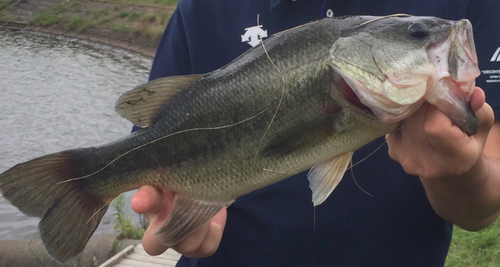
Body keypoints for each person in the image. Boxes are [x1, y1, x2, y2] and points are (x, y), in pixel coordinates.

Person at [131, 0, 500, 266]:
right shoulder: (200, 10)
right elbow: (149, 150)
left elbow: (482, 211)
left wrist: (461, 174)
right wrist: (175, 207)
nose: (433, 38)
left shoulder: (473, 7)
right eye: (417, 34)